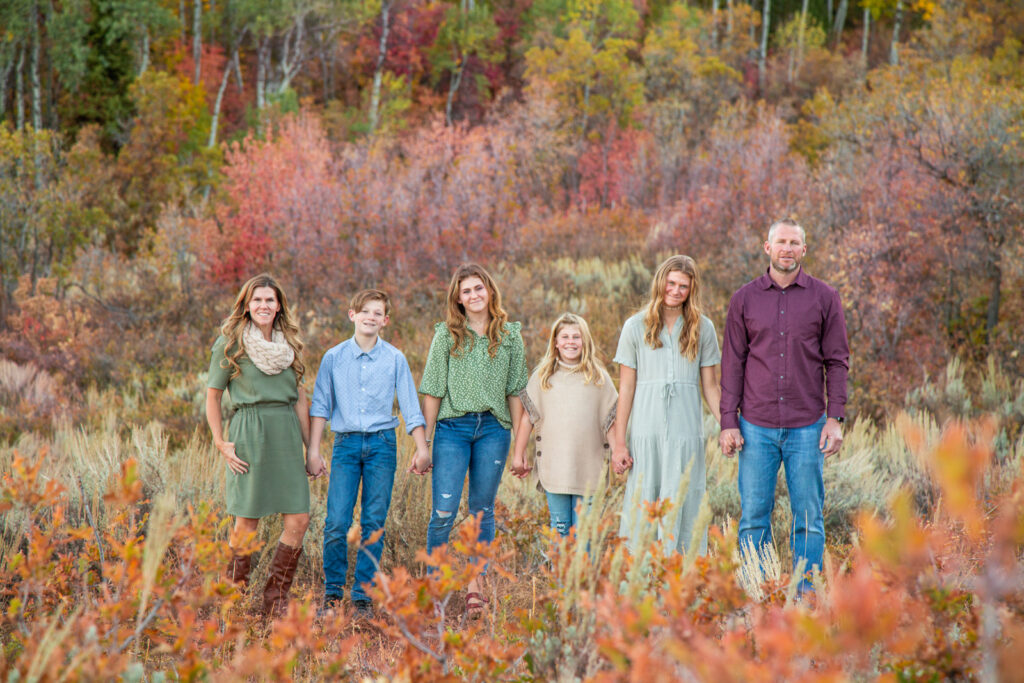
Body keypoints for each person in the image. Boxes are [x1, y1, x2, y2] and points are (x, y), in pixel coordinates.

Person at [719, 219, 849, 594]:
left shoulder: (825, 297)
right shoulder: (744, 299)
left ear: (804, 250)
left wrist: (834, 418)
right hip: (755, 426)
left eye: (794, 243)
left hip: (808, 426)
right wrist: (729, 421)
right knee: (753, 518)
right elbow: (733, 363)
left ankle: (805, 596)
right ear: (767, 248)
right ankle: (759, 596)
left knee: (808, 517)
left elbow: (837, 361)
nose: (787, 249)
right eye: (781, 242)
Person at [411, 263, 528, 618]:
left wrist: (519, 449)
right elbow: (432, 389)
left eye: (479, 288)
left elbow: (516, 392)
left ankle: (475, 586)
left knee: (482, 510)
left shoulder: (509, 336)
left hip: (494, 430)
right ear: (458, 299)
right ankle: (438, 587)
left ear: (489, 291)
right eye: (466, 291)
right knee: (444, 511)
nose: (474, 295)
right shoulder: (447, 335)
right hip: (452, 430)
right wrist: (424, 443)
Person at [306, 289, 429, 618]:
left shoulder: (395, 359)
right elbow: (320, 407)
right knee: (336, 522)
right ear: (352, 314)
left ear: (385, 321)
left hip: (381, 446)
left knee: (373, 522)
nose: (371, 317)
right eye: (365, 311)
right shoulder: (333, 358)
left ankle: (362, 595)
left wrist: (421, 447)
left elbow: (410, 407)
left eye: (378, 313)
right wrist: (314, 451)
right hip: (345, 444)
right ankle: (332, 594)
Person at [205, 273, 312, 617]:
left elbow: (299, 400)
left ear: (279, 305)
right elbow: (213, 396)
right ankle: (232, 603)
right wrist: (222, 442)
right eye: (257, 300)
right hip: (249, 433)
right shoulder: (229, 343)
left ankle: (275, 600)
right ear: (246, 305)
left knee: (299, 519)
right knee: (246, 523)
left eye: (270, 300)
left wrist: (312, 448)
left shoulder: (289, 346)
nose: (263, 305)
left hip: (285, 434)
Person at [612, 255, 722, 556]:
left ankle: (682, 582)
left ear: (692, 289)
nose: (675, 290)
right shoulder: (635, 326)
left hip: (687, 433)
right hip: (645, 432)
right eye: (671, 283)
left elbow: (711, 386)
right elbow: (626, 388)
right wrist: (620, 443)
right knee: (644, 501)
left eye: (683, 286)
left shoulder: (704, 328)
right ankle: (641, 581)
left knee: (683, 497)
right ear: (660, 283)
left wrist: (729, 426)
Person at [510, 313, 618, 538]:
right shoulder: (543, 377)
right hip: (555, 467)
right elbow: (527, 418)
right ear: (556, 343)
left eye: (576, 337)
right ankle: (558, 574)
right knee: (559, 529)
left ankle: (582, 574)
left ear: (585, 341)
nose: (571, 342)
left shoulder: (599, 378)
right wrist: (518, 454)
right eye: (565, 337)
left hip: (588, 466)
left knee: (584, 532)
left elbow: (610, 421)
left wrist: (618, 452)